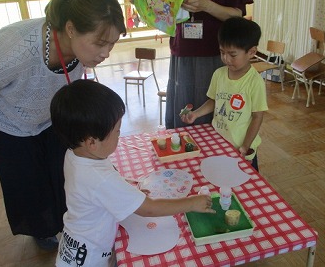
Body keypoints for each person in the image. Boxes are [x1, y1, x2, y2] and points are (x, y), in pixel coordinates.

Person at [0, 0, 126, 250]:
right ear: (70, 29)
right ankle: (42, 231)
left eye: (112, 44)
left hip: (50, 119)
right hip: (9, 125)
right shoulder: (16, 50)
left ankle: (64, 222)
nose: (105, 53)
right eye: (100, 43)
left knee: (60, 174)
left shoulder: (80, 51)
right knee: (29, 184)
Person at [50, 79, 215, 267]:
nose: (120, 136)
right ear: (92, 143)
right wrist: (191, 202)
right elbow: (149, 209)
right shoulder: (100, 179)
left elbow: (99, 192)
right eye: (118, 132)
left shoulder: (74, 153)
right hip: (89, 258)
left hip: (73, 243)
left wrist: (127, 195)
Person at [126, 0, 253, 129]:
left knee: (213, 105)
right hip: (182, 51)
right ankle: (181, 149)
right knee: (182, 110)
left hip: (216, 53)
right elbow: (165, 5)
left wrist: (207, 5)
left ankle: (212, 150)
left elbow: (237, 14)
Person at [181, 17, 267, 171]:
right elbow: (214, 100)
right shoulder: (219, 74)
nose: (226, 59)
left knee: (245, 183)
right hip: (219, 141)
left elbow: (257, 117)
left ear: (251, 52)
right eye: (222, 52)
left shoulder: (255, 82)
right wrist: (195, 114)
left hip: (242, 147)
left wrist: (245, 145)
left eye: (232, 55)